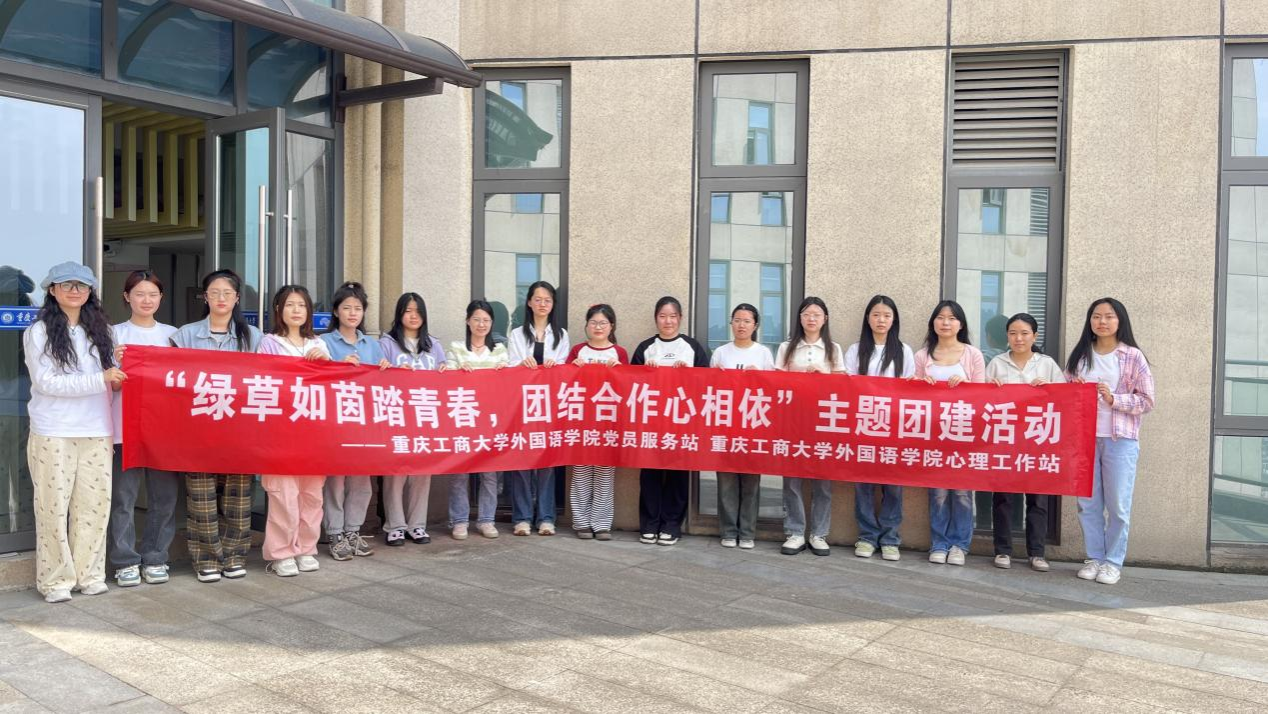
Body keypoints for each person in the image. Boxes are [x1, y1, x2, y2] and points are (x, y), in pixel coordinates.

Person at [24, 262, 121, 603]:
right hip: (54, 430)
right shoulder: (39, 331)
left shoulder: (104, 331)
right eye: (66, 285)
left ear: (91, 291)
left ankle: (90, 575)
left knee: (94, 506)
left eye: (82, 285)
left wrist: (120, 371)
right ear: (52, 290)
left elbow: (114, 379)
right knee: (52, 508)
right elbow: (46, 383)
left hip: (97, 429)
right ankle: (55, 581)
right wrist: (101, 378)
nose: (75, 291)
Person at [170, 269, 262, 582]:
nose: (221, 298)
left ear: (237, 298)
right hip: (198, 430)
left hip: (240, 430)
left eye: (227, 293)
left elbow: (269, 378)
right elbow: (171, 380)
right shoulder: (184, 336)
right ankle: (206, 558)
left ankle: (235, 556)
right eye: (214, 292)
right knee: (202, 498)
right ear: (205, 297)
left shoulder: (254, 337)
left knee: (239, 497)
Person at [1066, 298, 1154, 586]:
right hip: (1084, 440)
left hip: (1120, 440)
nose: (1102, 322)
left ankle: (1113, 562)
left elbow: (1147, 400)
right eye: (1096, 316)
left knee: (1117, 505)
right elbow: (1064, 396)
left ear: (1120, 321)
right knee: (1088, 503)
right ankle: (1094, 558)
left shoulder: (1133, 356)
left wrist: (1113, 399)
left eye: (1109, 316)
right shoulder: (1081, 355)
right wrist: (1073, 390)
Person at [107, 270, 179, 588]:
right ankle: (124, 561)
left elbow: (183, 382)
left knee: (164, 498)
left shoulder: (173, 335)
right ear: (127, 297)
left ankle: (155, 556)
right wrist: (117, 365)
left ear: (161, 298)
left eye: (152, 294)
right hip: (125, 427)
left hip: (164, 430)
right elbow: (107, 384)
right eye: (139, 294)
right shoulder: (113, 335)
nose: (146, 300)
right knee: (123, 498)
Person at [257, 286, 330, 577]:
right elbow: (264, 382)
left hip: (314, 432)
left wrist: (326, 365)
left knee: (312, 494)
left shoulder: (319, 344)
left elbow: (331, 387)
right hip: (280, 431)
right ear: (279, 310)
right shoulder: (269, 343)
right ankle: (281, 552)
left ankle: (306, 548)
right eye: (290, 305)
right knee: (283, 495)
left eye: (301, 305)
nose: (296, 310)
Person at [986, 313, 1065, 572]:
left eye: (1024, 333)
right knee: (1003, 498)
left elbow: (1066, 399)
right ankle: (1002, 550)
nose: (1018, 338)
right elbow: (980, 401)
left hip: (1037, 441)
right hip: (1005, 441)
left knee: (1038, 499)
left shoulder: (1047, 364)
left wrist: (1051, 387)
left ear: (1035, 336)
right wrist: (990, 388)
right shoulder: (996, 363)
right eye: (1013, 333)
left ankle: (1037, 553)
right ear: (1007, 336)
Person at [630, 296, 710, 546]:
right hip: (651, 423)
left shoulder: (692, 347)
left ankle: (671, 525)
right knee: (650, 475)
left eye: (673, 316)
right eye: (663, 316)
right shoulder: (646, 347)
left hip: (682, 423)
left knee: (677, 475)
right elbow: (630, 384)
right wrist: (645, 372)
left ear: (680, 318)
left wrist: (688, 374)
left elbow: (707, 384)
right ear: (656, 318)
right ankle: (649, 524)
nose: (668, 321)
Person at [320, 281, 390, 561]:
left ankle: (353, 531)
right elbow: (316, 377)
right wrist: (337, 368)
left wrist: (386, 369)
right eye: (346, 307)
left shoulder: (372, 344)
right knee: (335, 481)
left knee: (361, 481)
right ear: (336, 311)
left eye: (357, 308)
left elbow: (384, 384)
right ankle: (335, 533)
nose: (352, 313)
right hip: (335, 423)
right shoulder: (324, 342)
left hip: (365, 424)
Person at [914, 300, 986, 567]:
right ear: (933, 322)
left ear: (961, 324)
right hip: (933, 434)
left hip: (964, 433)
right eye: (941, 317)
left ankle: (959, 545)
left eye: (952, 318)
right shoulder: (922, 355)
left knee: (963, 492)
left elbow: (983, 395)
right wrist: (921, 384)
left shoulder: (973, 354)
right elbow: (910, 394)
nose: (946, 322)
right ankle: (939, 543)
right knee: (938, 492)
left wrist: (966, 385)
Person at [845, 295, 915, 562]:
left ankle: (890, 538)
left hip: (894, 428)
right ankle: (866, 537)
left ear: (894, 319)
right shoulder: (855, 350)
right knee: (863, 485)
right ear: (867, 318)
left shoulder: (904, 351)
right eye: (876, 315)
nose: (881, 320)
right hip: (863, 426)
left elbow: (909, 389)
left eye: (886, 315)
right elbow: (849, 387)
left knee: (893, 486)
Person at [776, 297, 846, 556]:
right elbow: (776, 382)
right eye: (806, 314)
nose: (811, 319)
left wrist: (823, 378)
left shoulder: (833, 348)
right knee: (791, 480)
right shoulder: (786, 347)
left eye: (817, 314)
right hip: (793, 421)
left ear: (825, 319)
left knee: (823, 482)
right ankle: (795, 532)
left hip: (824, 423)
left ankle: (819, 533)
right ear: (800, 318)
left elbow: (843, 384)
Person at [378, 292, 446, 546]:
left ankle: (417, 525)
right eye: (408, 311)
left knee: (422, 473)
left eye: (418, 311)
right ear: (399, 314)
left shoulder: (434, 344)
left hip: (425, 418)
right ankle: (395, 526)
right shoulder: (386, 344)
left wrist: (445, 370)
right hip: (396, 417)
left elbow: (446, 376)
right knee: (395, 474)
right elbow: (377, 376)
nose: (413, 316)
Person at [507, 281, 570, 537]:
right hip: (522, 406)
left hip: (549, 407)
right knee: (521, 462)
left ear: (553, 304)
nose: (542, 304)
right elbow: (510, 366)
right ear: (529, 302)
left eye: (547, 300)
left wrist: (557, 366)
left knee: (547, 462)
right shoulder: (516, 334)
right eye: (538, 299)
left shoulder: (562, 335)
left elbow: (565, 370)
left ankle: (546, 518)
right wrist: (522, 364)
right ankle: (522, 518)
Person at [710, 303, 775, 550]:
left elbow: (773, 390)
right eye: (737, 320)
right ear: (731, 323)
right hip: (726, 425)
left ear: (755, 325)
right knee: (726, 481)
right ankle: (728, 530)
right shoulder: (720, 352)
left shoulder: (764, 353)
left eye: (747, 321)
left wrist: (760, 376)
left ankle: (747, 532)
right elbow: (709, 389)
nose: (741, 325)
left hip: (753, 425)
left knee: (751, 482)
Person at [445, 299, 510, 540]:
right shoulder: (456, 348)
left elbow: (508, 380)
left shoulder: (499, 350)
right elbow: (446, 378)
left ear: (492, 323)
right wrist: (456, 373)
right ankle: (459, 520)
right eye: (476, 319)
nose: (481, 324)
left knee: (490, 474)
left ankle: (486, 520)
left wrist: (502, 373)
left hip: (491, 420)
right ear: (467, 321)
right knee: (459, 473)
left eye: (486, 320)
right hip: (463, 418)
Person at [566, 304, 627, 540]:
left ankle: (601, 524)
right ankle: (581, 523)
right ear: (587, 325)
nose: (598, 327)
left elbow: (628, 388)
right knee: (581, 473)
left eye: (603, 323)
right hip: (581, 422)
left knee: (604, 474)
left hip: (607, 423)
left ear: (612, 326)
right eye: (593, 322)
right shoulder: (577, 350)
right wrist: (572, 368)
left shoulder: (619, 352)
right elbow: (563, 383)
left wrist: (620, 371)